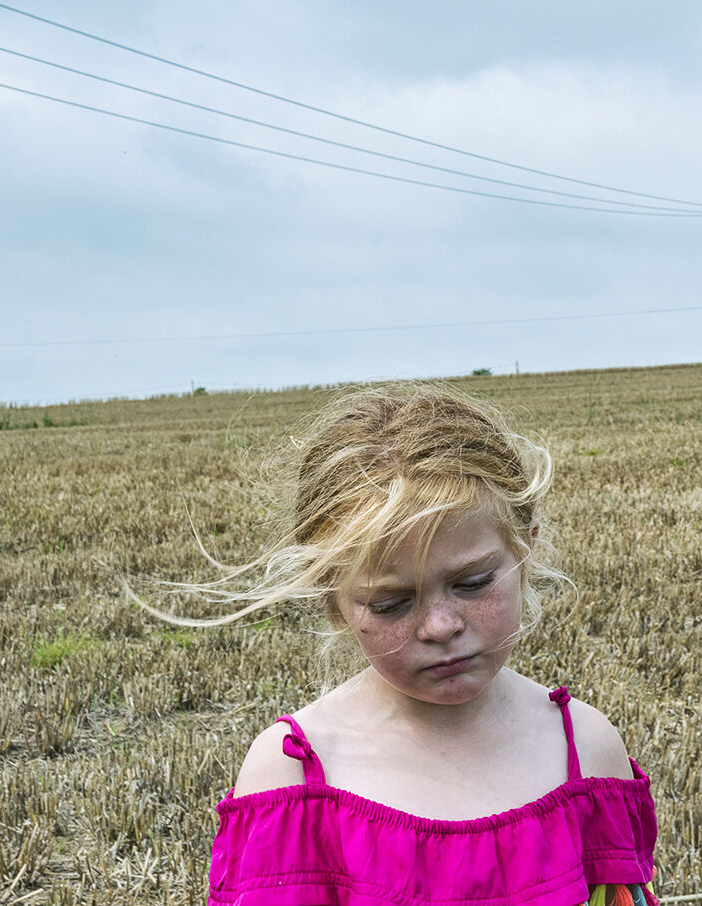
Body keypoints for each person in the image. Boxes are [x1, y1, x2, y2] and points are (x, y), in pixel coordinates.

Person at [150, 383, 658, 906]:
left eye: (473, 582)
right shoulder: (291, 778)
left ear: (524, 550)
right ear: (333, 601)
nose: (439, 626)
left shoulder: (590, 752)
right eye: (391, 604)